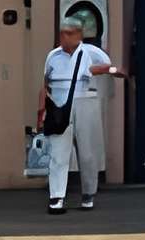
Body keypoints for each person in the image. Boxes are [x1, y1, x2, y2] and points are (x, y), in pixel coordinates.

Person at [39, 15, 121, 215]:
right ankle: (56, 197)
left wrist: (103, 70)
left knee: (87, 152)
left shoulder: (92, 52)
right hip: (59, 106)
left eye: (70, 33)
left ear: (79, 35)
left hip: (86, 104)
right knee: (58, 154)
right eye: (63, 33)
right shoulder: (53, 56)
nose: (65, 37)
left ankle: (88, 194)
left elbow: (111, 70)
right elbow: (45, 85)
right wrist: (41, 112)